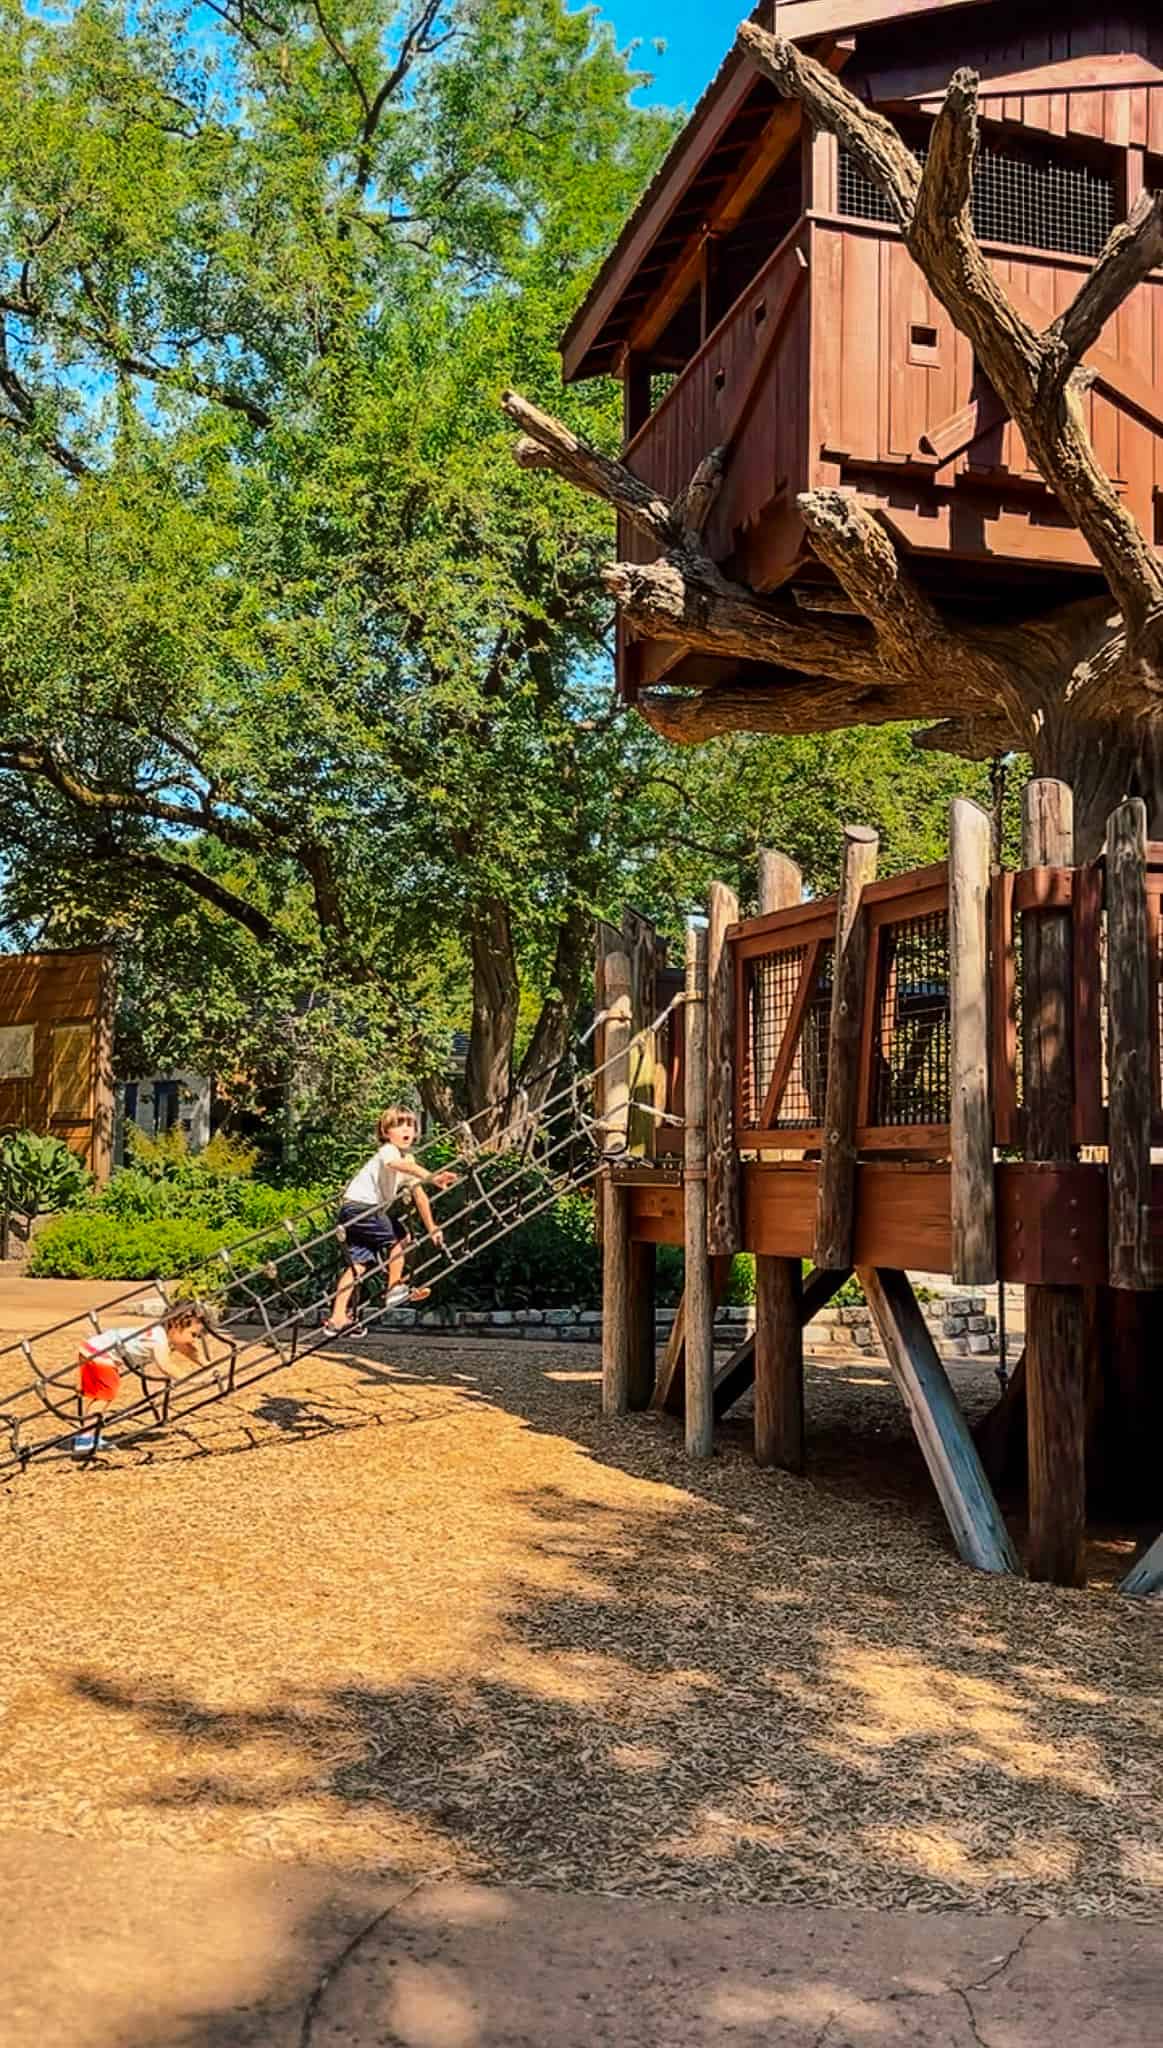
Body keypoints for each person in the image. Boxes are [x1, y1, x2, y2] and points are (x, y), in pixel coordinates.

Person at [322, 1107, 456, 1337]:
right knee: (400, 1238)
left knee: (358, 1264)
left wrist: (432, 1226)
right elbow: (400, 1166)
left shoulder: (408, 1158)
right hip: (362, 1207)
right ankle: (394, 1288)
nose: (407, 1130)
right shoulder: (388, 1151)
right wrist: (434, 1176)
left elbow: (419, 1195)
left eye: (411, 1126)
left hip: (354, 1210)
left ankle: (337, 1317)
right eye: (399, 1125)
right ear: (385, 1132)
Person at [74, 1306, 207, 1453]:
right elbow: (165, 1365)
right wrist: (190, 1379)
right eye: (193, 1334)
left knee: (103, 1393)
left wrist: (206, 1365)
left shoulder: (161, 1332)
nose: (194, 1340)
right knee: (105, 1394)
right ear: (176, 1325)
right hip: (100, 1353)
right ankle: (85, 1438)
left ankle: (88, 1435)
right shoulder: (158, 1339)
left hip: (93, 1348)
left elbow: (187, 1349)